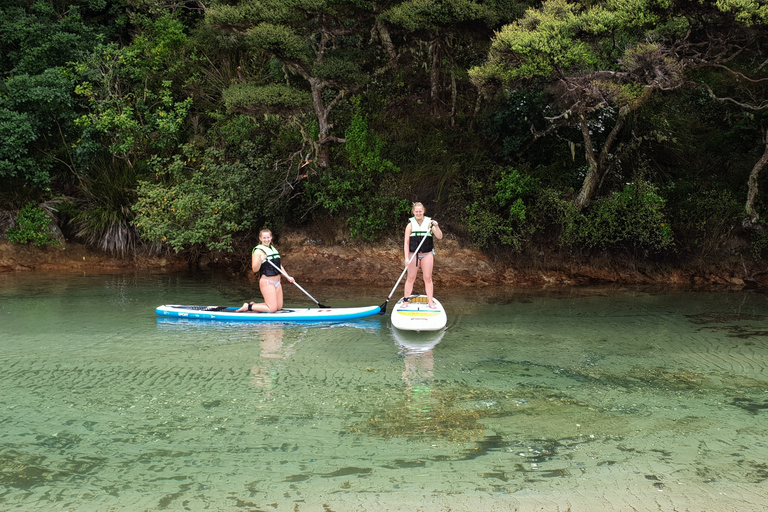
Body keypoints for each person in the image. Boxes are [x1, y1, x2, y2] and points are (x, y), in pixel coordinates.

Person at [238, 229, 295, 313]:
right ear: (260, 238)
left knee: (278, 307)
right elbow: (255, 269)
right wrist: (261, 259)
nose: (266, 240)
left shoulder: (273, 249)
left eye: (268, 237)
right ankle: (248, 306)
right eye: (264, 238)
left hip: (277, 282)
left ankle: (254, 305)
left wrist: (287, 276)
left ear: (271, 237)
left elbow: (278, 266)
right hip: (267, 281)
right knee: (272, 309)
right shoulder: (258, 251)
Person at [402, 202, 443, 309]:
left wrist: (437, 226)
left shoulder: (430, 224)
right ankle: (406, 301)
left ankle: (430, 302)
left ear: (423, 211)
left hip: (427, 254)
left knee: (427, 278)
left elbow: (439, 236)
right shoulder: (410, 225)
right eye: (416, 211)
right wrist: (406, 258)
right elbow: (406, 243)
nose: (418, 213)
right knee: (410, 278)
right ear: (413, 212)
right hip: (413, 255)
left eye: (420, 211)